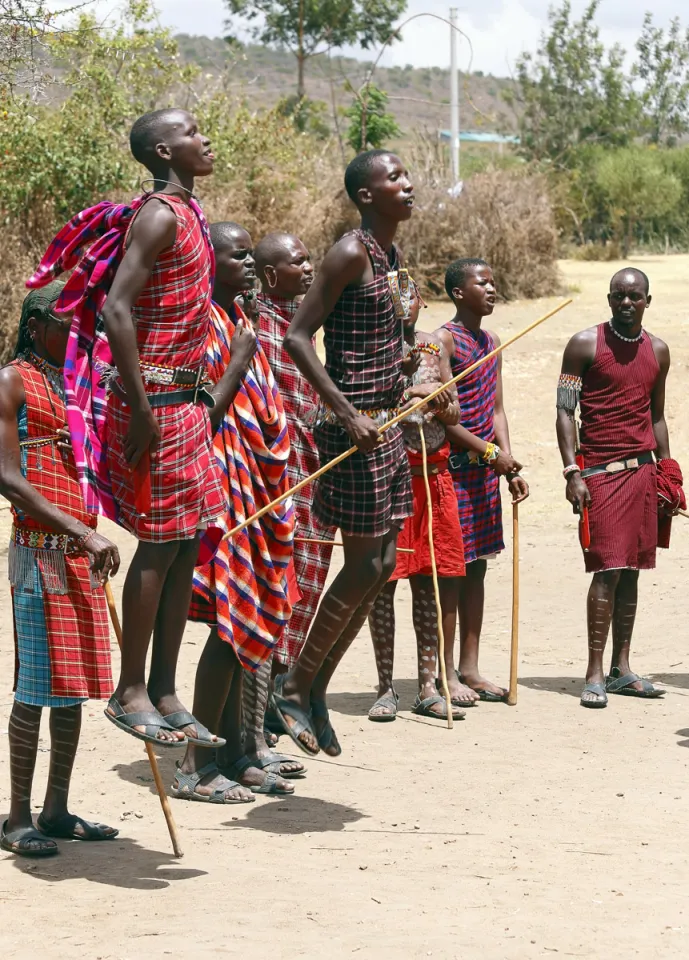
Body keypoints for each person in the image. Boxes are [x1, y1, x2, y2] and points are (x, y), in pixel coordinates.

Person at [28, 108, 226, 746]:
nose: (205, 139)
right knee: (160, 542)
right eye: (193, 133)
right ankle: (130, 689)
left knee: (185, 543)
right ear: (165, 151)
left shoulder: (189, 212)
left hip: (186, 405)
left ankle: (164, 689)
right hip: (157, 407)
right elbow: (116, 306)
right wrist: (139, 407)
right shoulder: (160, 215)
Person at [274, 149, 452, 757]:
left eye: (405, 176)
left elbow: (380, 342)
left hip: (386, 425)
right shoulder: (350, 252)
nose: (407, 184)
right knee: (361, 567)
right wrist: (347, 411)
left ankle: (314, 687)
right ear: (366, 195)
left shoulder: (389, 255)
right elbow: (299, 337)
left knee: (377, 570)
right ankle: (295, 684)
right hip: (354, 433)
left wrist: (412, 372)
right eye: (393, 178)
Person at [173, 222, 297, 803]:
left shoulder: (238, 321)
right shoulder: (198, 327)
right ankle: (197, 765)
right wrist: (239, 361)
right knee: (229, 625)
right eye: (237, 256)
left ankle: (238, 752)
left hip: (255, 490)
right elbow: (202, 416)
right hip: (221, 494)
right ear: (209, 262)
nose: (249, 265)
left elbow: (263, 410)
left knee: (250, 627)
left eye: (253, 256)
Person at [0, 284, 120, 857]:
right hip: (38, 551)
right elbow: (6, 477)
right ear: (35, 325)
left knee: (72, 689)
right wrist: (81, 531)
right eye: (66, 323)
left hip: (78, 554)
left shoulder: (77, 388)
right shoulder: (12, 382)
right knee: (34, 687)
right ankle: (17, 816)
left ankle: (56, 808)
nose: (78, 333)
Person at [556, 267, 681, 708]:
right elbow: (565, 413)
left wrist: (667, 472)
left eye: (635, 296)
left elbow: (657, 415)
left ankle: (622, 669)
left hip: (643, 473)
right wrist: (572, 471)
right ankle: (593, 672)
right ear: (609, 299)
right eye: (619, 296)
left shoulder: (659, 351)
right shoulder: (584, 345)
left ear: (649, 300)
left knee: (632, 570)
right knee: (606, 569)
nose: (627, 303)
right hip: (600, 474)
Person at [367, 283, 467, 721]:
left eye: (409, 297)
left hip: (433, 477)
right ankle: (385, 686)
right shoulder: (368, 346)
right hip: (390, 479)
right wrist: (405, 397)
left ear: (420, 303)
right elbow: (361, 409)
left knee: (429, 582)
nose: (402, 305)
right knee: (381, 584)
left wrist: (442, 405)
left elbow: (455, 412)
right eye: (393, 296)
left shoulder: (433, 344)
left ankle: (428, 685)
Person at [436, 258, 529, 704]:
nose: (491, 289)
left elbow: (496, 411)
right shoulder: (443, 343)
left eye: (494, 282)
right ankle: (445, 671)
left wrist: (506, 462)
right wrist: (491, 453)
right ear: (458, 292)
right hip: (454, 474)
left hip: (485, 478)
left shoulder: (491, 342)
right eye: (482, 283)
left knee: (478, 570)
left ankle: (470, 669)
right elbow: (446, 420)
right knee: (451, 574)